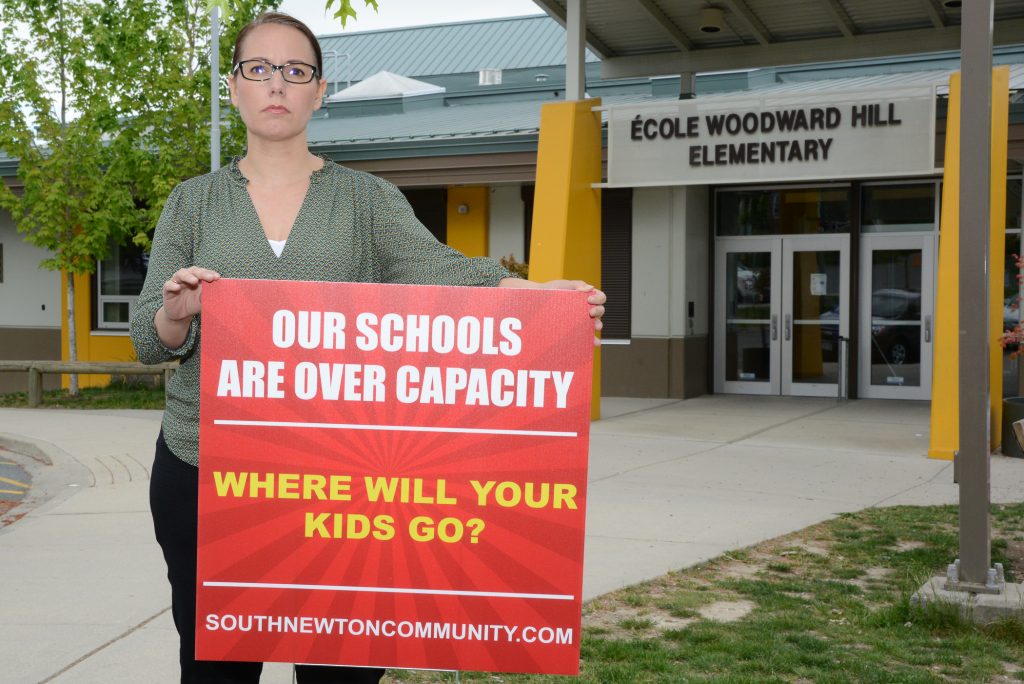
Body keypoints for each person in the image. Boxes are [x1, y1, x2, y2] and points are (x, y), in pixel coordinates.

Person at [129, 11, 605, 684]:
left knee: (341, 674)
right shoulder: (192, 203)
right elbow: (148, 338)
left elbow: (442, 271)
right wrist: (178, 312)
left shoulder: (365, 200)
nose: (276, 85)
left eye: (295, 71)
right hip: (205, 472)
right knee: (216, 672)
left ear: (319, 92)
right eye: (258, 69)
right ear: (232, 87)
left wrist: (536, 296)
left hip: (340, 488)